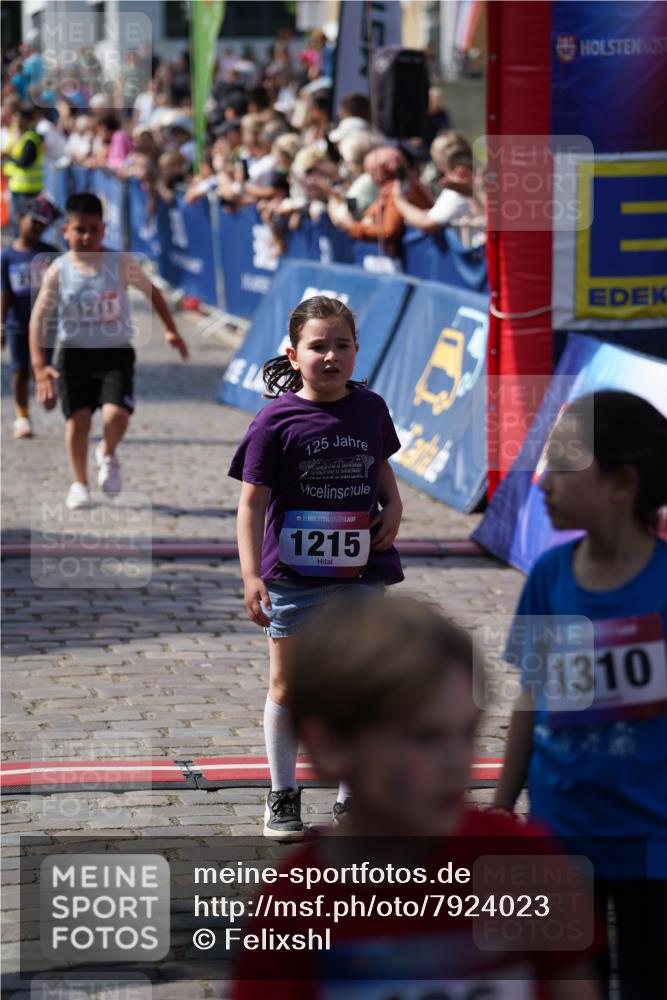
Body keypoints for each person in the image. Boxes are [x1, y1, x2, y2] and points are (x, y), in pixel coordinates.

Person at [232, 594, 601, 999]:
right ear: (330, 746)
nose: (457, 763)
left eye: (467, 733)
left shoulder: (523, 861)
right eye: (425, 738)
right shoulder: (293, 906)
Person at [493, 391, 667, 999]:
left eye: (564, 461)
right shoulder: (550, 577)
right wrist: (502, 803)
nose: (543, 479)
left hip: (654, 845)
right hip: (560, 836)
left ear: (621, 483)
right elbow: (531, 698)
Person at [228, 296, 404, 840]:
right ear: (293, 353)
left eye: (342, 345)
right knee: (288, 684)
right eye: (318, 346)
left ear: (357, 350)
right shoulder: (274, 420)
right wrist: (251, 574)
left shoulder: (371, 408)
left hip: (360, 571)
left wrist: (393, 508)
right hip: (294, 577)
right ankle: (282, 795)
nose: (331, 356)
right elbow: (251, 504)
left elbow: (382, 472)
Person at [28, 191, 189, 510]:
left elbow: (153, 292)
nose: (87, 237)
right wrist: (39, 366)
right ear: (65, 232)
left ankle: (107, 452)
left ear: (104, 229)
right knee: (79, 419)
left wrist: (171, 330)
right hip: (74, 354)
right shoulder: (59, 270)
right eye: (79, 230)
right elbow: (39, 319)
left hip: (115, 352)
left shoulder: (120, 263)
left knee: (116, 415)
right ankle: (80, 483)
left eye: (94, 229)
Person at [1, 196, 61, 439]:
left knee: (44, 366)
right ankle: (22, 415)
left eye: (43, 224)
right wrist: (2, 324)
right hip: (17, 322)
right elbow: (4, 292)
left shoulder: (51, 255)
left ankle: (46, 389)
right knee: (19, 369)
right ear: (20, 218)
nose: (37, 228)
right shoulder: (7, 257)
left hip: (46, 325)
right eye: (33, 221)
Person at [393, 132, 477, 236]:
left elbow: (427, 223)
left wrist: (399, 200)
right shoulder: (470, 181)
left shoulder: (457, 188)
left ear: (439, 161)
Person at [1, 103, 44, 234]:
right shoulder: (17, 135)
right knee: (15, 221)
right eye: (15, 118)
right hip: (16, 185)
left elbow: (25, 161)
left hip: (28, 188)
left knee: (25, 223)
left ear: (26, 120)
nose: (16, 121)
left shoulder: (31, 138)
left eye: (18, 118)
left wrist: (9, 158)